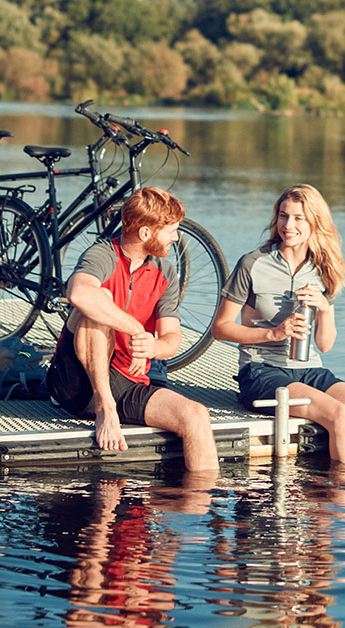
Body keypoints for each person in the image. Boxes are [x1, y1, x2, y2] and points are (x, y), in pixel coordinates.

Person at [210, 184, 345, 467]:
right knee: (339, 414)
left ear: (315, 222)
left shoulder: (323, 268)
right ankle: (343, 498)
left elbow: (325, 344)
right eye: (283, 216)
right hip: (261, 371)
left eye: (298, 218)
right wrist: (274, 333)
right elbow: (220, 328)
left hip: (309, 368)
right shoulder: (253, 264)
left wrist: (325, 310)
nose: (288, 225)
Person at [47, 187, 219, 471]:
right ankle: (105, 408)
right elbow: (79, 294)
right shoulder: (103, 254)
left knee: (196, 415)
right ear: (145, 234)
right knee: (98, 299)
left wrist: (154, 346)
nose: (176, 238)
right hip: (77, 383)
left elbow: (172, 339)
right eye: (171, 231)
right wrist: (137, 328)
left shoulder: (165, 271)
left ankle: (201, 506)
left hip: (128, 381)